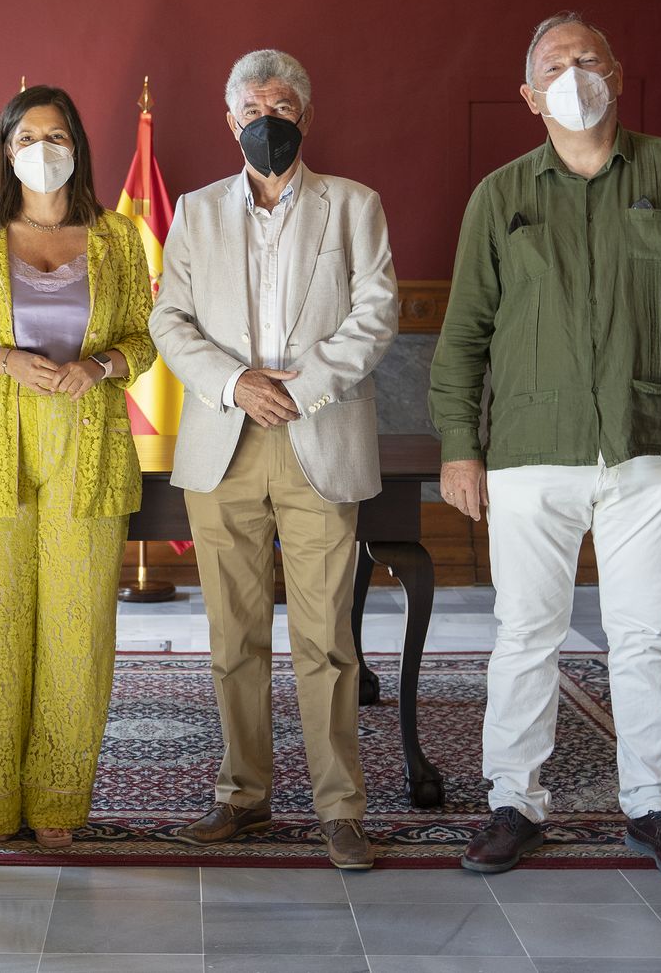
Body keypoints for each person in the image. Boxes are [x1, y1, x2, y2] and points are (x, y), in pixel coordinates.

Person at [430, 13, 661, 883]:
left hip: (652, 446)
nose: (574, 73)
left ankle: (654, 807)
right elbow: (464, 333)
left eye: (588, 58)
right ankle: (514, 802)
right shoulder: (500, 196)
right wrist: (461, 446)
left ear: (617, 73)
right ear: (529, 94)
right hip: (529, 452)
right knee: (524, 634)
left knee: (644, 637)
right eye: (555, 64)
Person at [150, 49, 399, 870]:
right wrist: (234, 385)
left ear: (307, 116)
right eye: (253, 110)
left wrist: (303, 386)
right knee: (233, 635)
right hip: (224, 442)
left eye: (283, 107)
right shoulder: (194, 211)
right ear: (230, 121)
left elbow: (376, 314)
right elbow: (169, 321)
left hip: (317, 436)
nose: (268, 122)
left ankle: (339, 808)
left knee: (327, 640)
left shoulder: (355, 206)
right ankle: (242, 796)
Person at [0, 85, 155, 849]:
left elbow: (145, 340)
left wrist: (99, 368)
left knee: (76, 629)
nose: (43, 149)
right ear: (6, 150)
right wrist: (4, 362)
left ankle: (58, 800)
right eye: (28, 136)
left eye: (56, 135)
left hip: (88, 448)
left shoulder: (118, 237)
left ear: (77, 148)